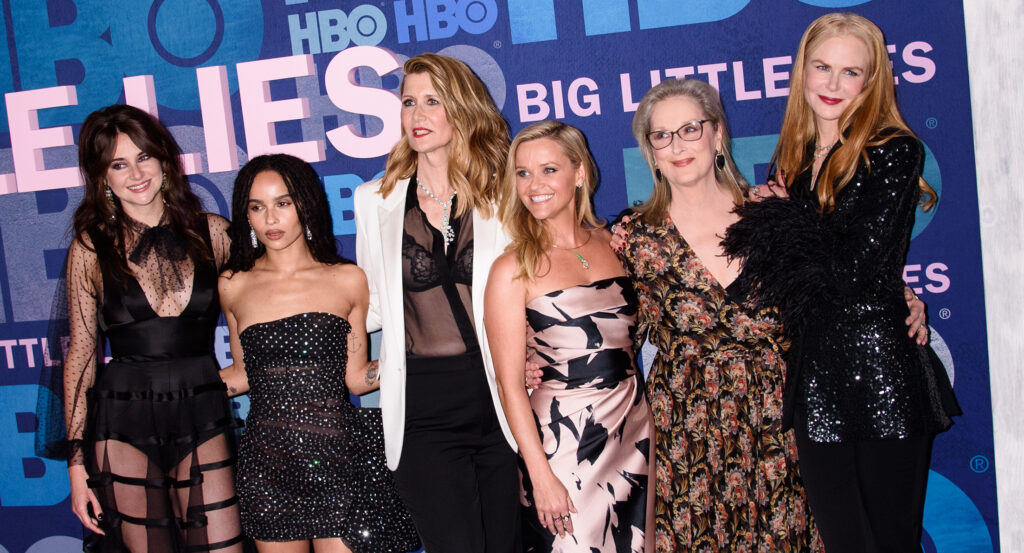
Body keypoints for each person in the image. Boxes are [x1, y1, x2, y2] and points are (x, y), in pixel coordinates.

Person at [722, 13, 959, 553]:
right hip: (816, 378)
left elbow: (849, 273)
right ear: (801, 70)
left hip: (884, 374)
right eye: (822, 66)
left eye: (850, 72)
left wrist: (781, 217)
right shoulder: (794, 160)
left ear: (872, 82)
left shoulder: (895, 151)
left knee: (891, 541)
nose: (832, 85)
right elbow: (785, 279)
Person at [613, 77, 823, 552]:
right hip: (685, 432)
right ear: (650, 150)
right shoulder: (633, 238)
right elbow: (599, 321)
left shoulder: (774, 215)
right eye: (661, 135)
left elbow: (832, 299)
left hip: (778, 426)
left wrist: (903, 301)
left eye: (690, 129)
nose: (677, 145)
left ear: (718, 133)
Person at [35, 104, 243, 551]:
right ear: (101, 177)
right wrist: (76, 466)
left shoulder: (216, 233)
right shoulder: (91, 248)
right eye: (118, 164)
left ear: (165, 160)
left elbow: (263, 304)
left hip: (202, 414)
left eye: (144, 157)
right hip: (122, 422)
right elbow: (82, 355)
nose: (136, 174)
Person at [353, 52, 522, 553]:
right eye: (409, 102)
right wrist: (364, 365)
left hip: (500, 402)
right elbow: (372, 305)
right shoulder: (375, 200)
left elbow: (528, 291)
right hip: (422, 412)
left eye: (433, 101)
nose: (417, 115)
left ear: (462, 109)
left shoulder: (504, 194)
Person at [218, 154, 419, 553]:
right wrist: (165, 389)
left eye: (283, 203)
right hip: (267, 464)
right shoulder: (233, 284)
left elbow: (356, 378)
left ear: (305, 205)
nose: (270, 219)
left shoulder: (347, 279)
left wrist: (408, 357)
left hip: (338, 461)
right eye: (256, 207)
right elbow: (241, 374)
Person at [485, 121, 654, 552]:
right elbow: (509, 385)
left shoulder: (617, 243)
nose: (534, 185)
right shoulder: (511, 269)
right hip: (563, 443)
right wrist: (540, 475)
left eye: (548, 170)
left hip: (634, 429)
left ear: (579, 173)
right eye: (522, 173)